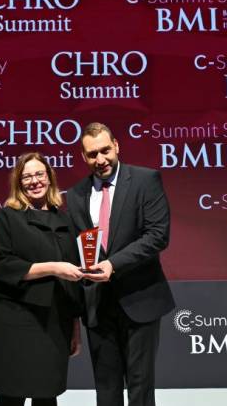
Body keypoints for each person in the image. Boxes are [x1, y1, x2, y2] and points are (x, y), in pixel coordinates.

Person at [66, 122, 175, 406]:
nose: (100, 159)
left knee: (140, 389)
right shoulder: (75, 196)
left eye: (105, 150)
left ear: (116, 146)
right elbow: (76, 251)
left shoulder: (145, 180)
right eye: (92, 154)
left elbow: (157, 235)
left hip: (140, 299)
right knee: (106, 390)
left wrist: (112, 264)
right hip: (98, 307)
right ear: (83, 157)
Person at [0, 152, 84, 406]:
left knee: (47, 393)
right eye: (27, 177)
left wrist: (75, 327)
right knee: (12, 393)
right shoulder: (8, 217)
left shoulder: (64, 220)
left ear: (49, 178)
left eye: (39, 174)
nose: (34, 181)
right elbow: (3, 265)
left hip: (56, 320)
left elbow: (73, 279)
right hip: (17, 318)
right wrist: (53, 268)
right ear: (19, 183)